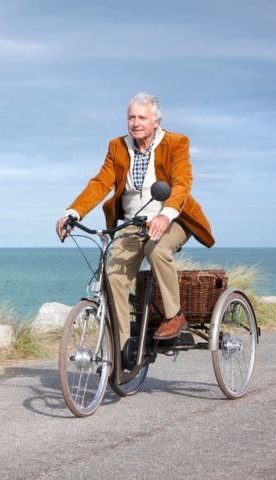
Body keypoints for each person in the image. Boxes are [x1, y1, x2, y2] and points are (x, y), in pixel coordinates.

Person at [56, 92, 214, 351]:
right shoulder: (117, 146)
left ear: (156, 121)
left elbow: (182, 182)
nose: (136, 122)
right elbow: (100, 183)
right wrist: (73, 212)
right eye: (131, 117)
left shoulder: (176, 142)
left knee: (157, 248)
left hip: (172, 218)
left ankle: (174, 316)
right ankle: (122, 347)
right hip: (133, 223)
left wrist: (165, 214)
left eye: (142, 117)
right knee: (113, 276)